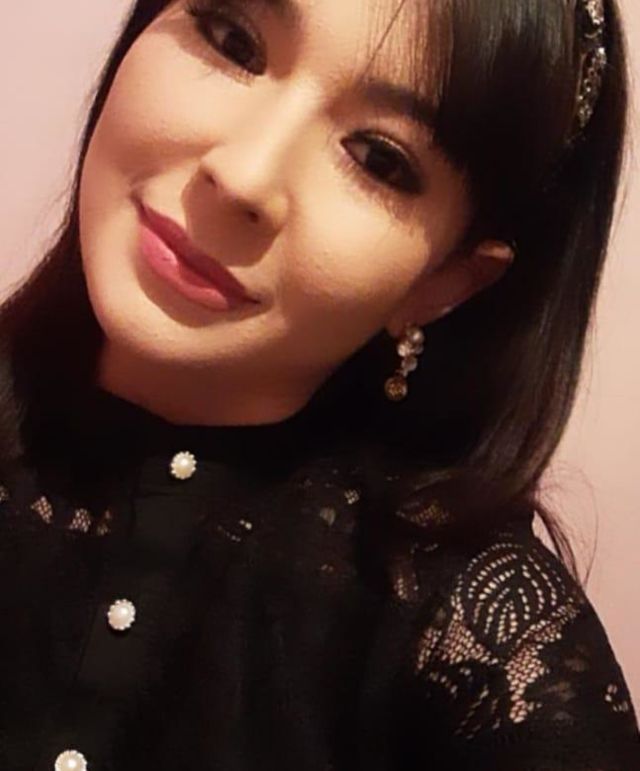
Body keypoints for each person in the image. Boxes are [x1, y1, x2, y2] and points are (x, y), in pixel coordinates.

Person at [0, 0, 638, 768]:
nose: (244, 176)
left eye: (378, 158)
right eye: (232, 41)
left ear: (443, 284)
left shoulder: (468, 639)